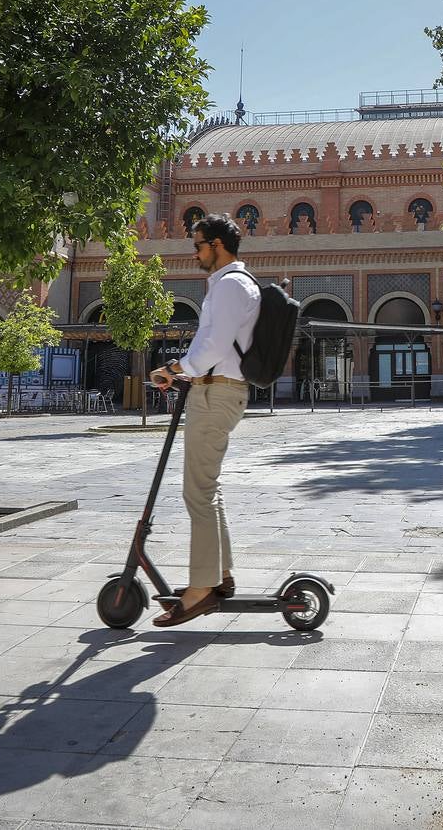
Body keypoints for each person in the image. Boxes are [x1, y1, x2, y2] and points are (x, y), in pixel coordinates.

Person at [149, 213, 261, 627]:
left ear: (217, 245)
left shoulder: (232, 285)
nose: (194, 253)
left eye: (198, 245)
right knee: (208, 490)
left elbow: (213, 345)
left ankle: (200, 591)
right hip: (212, 389)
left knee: (198, 493)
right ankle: (221, 576)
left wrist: (178, 369)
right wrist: (181, 370)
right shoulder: (227, 284)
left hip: (217, 393)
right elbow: (211, 343)